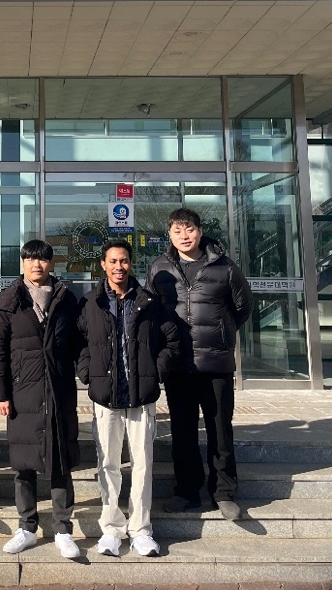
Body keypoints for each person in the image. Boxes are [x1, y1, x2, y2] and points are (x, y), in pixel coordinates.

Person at [147, 208, 254, 521]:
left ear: (200, 230)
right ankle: (187, 491)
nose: (184, 236)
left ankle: (223, 492)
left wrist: (223, 332)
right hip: (178, 364)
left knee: (220, 430)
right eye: (177, 231)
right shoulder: (160, 267)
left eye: (190, 229)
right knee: (182, 432)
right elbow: (152, 310)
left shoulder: (225, 266)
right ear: (169, 235)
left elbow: (244, 306)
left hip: (216, 364)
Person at [77, 239, 180, 558]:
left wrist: (156, 371)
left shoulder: (148, 302)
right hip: (105, 397)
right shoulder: (91, 302)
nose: (118, 267)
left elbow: (172, 340)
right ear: (103, 265)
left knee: (143, 464)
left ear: (130, 263)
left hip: (141, 397)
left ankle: (140, 530)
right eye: (113, 261)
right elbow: (79, 342)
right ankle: (111, 528)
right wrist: (87, 372)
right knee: (108, 464)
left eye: (123, 261)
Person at [0, 239, 81, 560]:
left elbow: (79, 343)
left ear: (51, 263)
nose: (36, 265)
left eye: (42, 259)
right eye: (30, 259)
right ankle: (26, 527)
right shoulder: (8, 300)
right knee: (23, 464)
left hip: (59, 391)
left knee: (60, 462)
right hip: (22, 393)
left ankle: (63, 529)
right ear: (23, 263)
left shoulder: (66, 298)